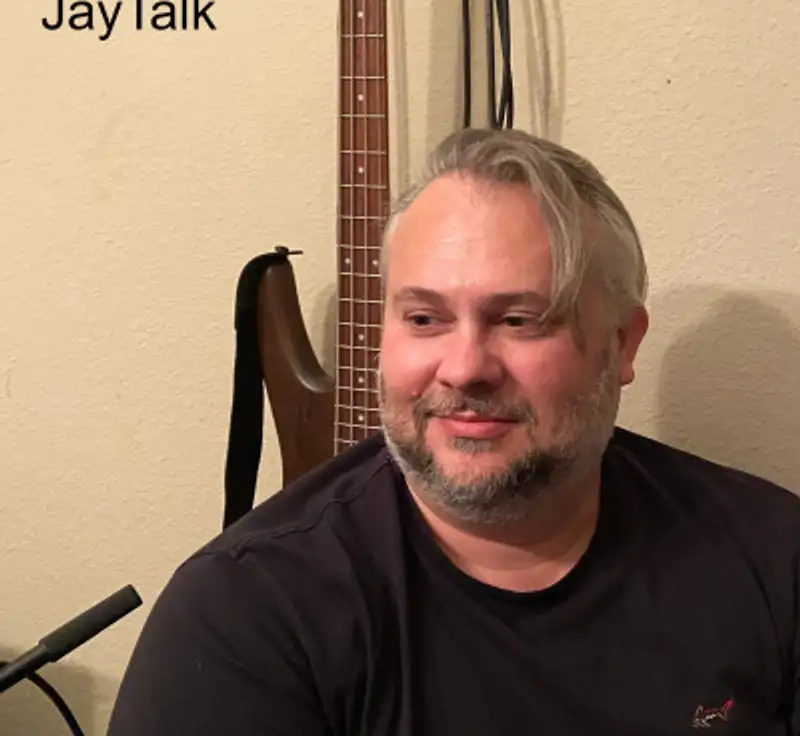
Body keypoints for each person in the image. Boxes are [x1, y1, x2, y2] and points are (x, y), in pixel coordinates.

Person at [107, 128, 800, 735]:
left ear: (621, 343)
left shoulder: (773, 558)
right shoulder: (247, 616)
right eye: (424, 319)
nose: (465, 368)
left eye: (520, 320)